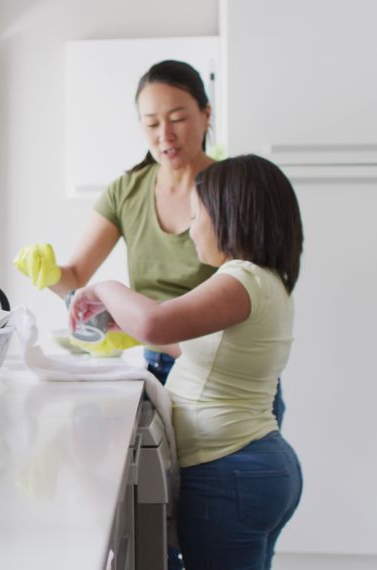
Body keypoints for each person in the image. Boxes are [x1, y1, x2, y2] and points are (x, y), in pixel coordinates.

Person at [68, 154, 305, 569]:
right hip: (251, 467)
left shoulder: (242, 278)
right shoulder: (264, 281)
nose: (192, 228)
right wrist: (119, 327)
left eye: (197, 216)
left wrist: (105, 287)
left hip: (231, 470)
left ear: (231, 217)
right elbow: (188, 346)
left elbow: (159, 326)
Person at [14, 59, 286, 419]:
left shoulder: (230, 193)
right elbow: (76, 278)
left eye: (177, 119)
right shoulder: (127, 191)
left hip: (224, 375)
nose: (165, 135)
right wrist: (49, 273)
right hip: (159, 363)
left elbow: (258, 287)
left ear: (206, 115)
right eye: (152, 123)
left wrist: (136, 323)